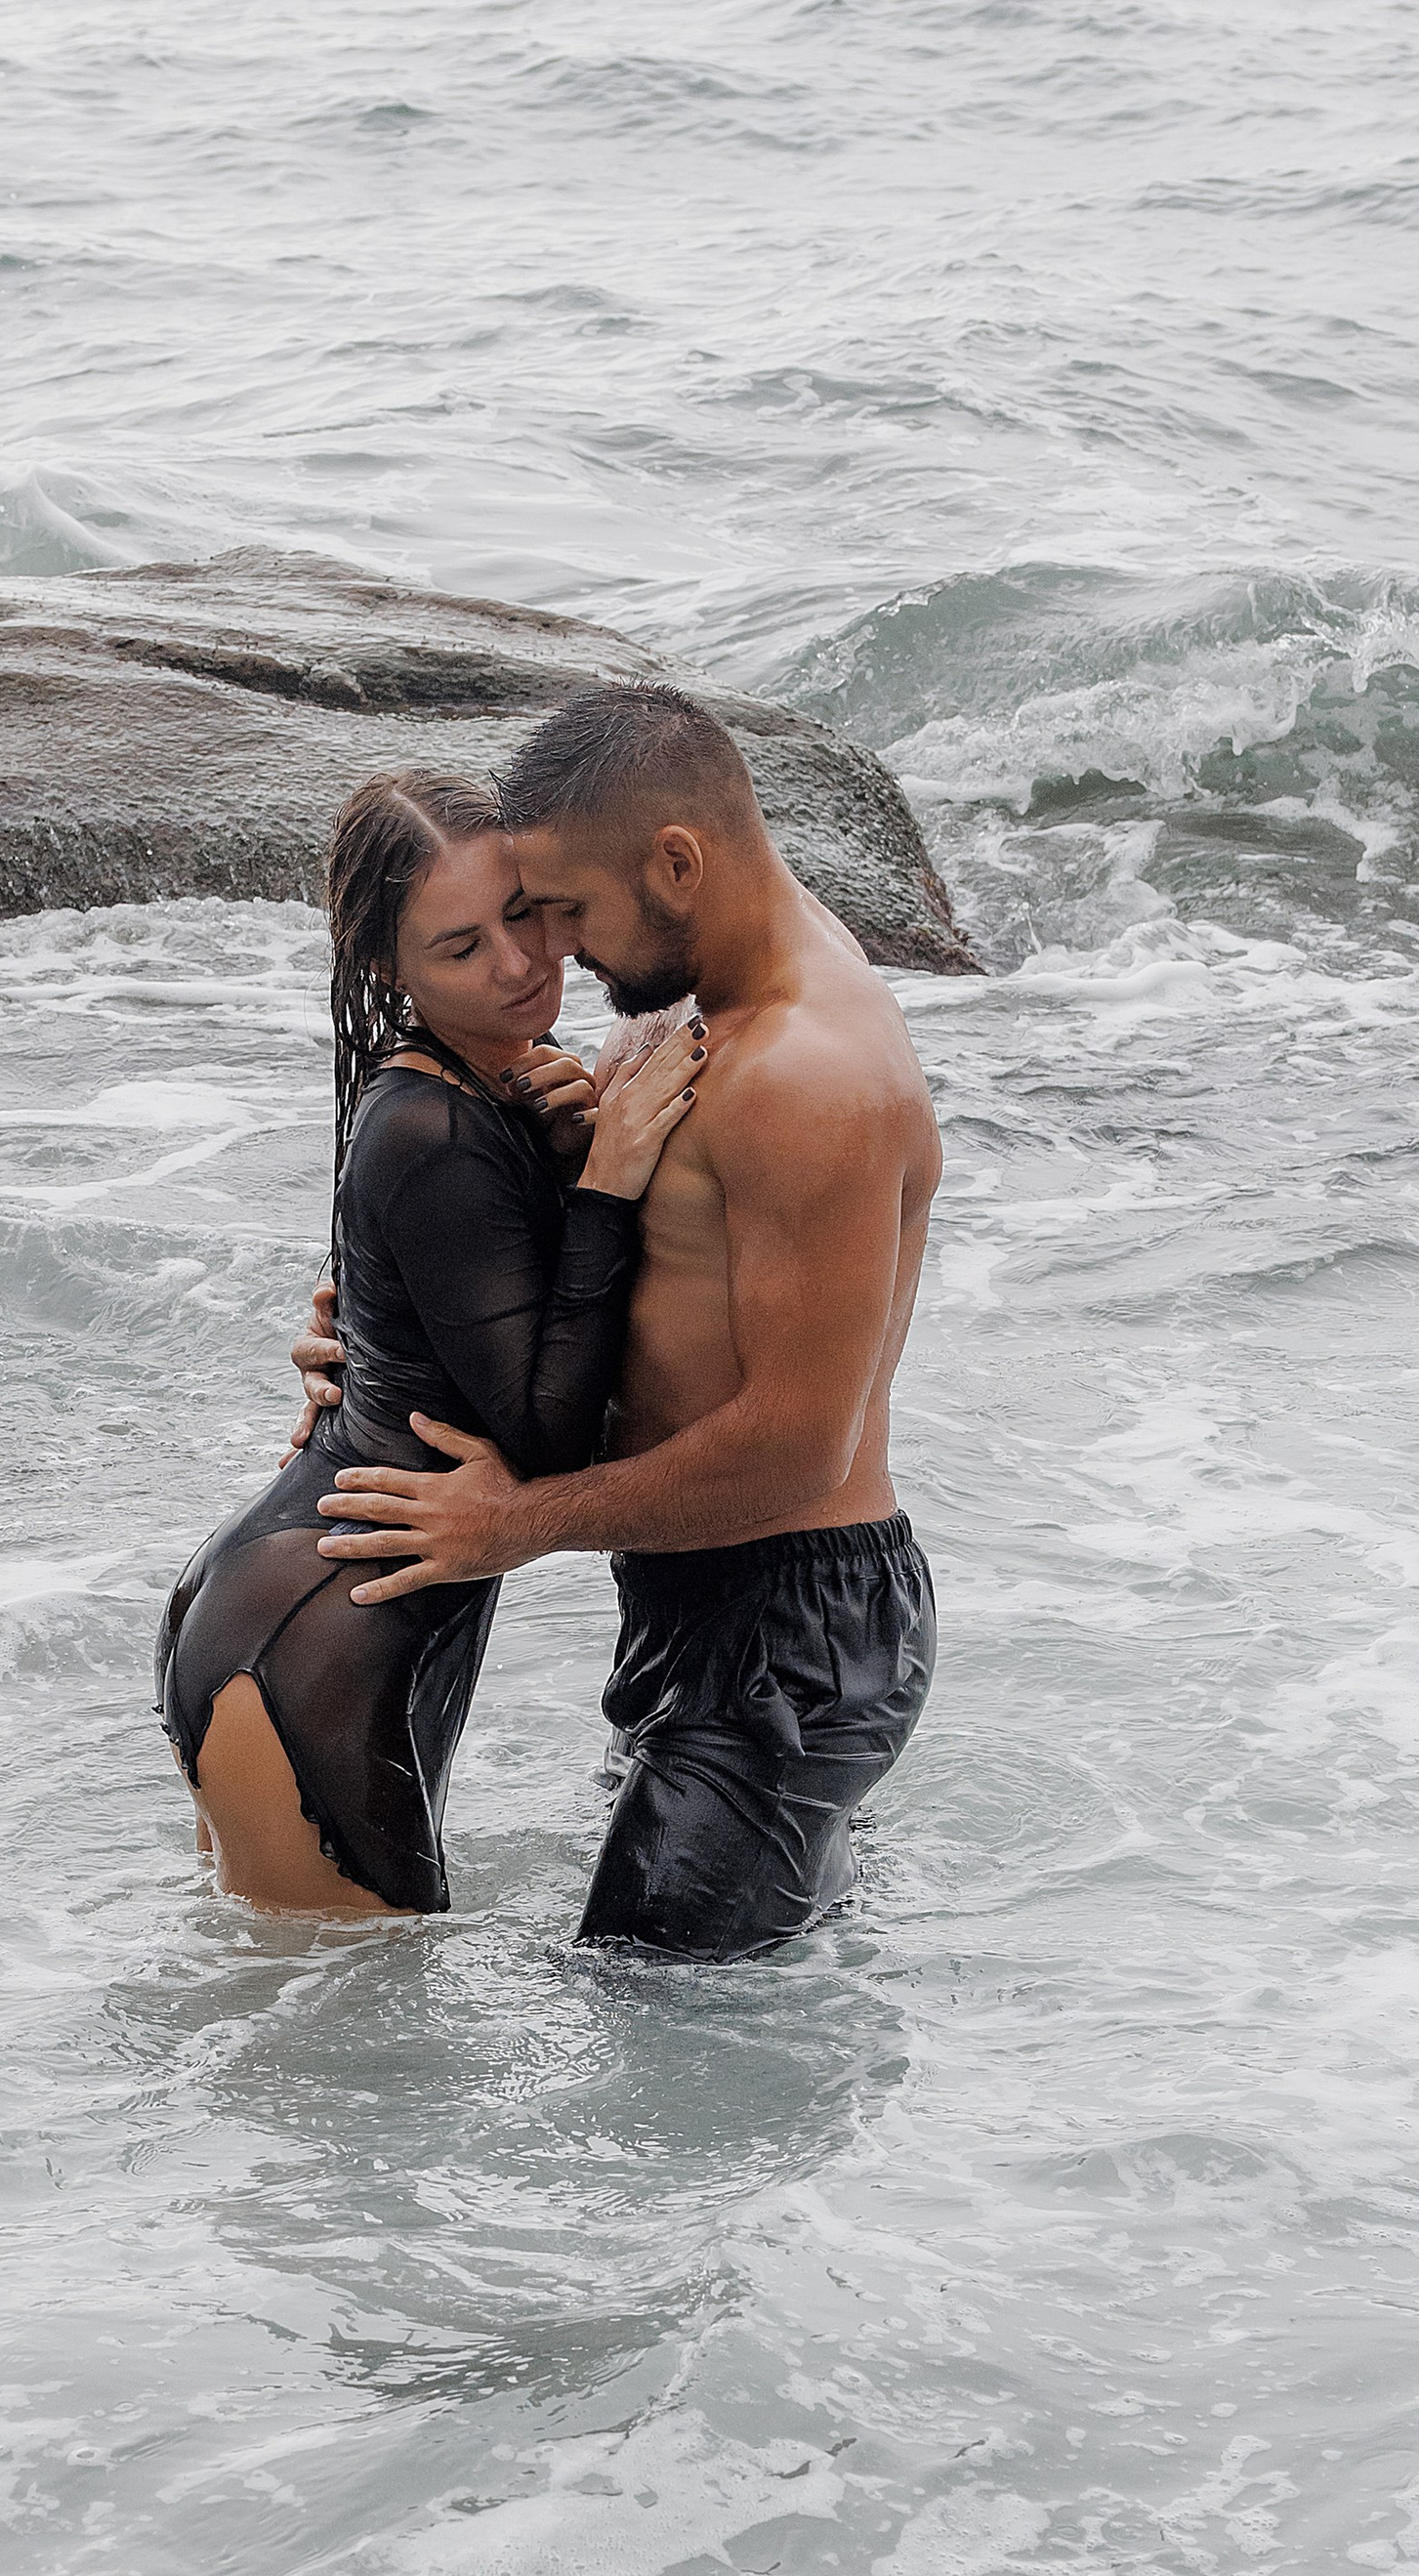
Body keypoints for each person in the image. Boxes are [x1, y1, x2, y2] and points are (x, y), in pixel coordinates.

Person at [311, 682, 940, 1961]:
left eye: (572, 915)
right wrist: (392, 1329)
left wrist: (513, 1529)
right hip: (696, 1602)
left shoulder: (806, 1078)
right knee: (690, 2008)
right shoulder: (702, 976)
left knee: (653, 2040)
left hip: (791, 1636)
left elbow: (795, 1447)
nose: (557, 954)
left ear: (674, 862)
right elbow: (666, 1268)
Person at [154, 771, 699, 1913]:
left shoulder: (481, 1094)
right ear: (390, 973)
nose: (515, 965)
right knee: (349, 2078)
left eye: (522, 914)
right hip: (306, 1659)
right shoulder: (432, 1127)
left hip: (296, 1620)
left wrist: (560, 1155)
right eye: (459, 949)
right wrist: (603, 1187)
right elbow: (543, 1438)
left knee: (302, 2049)